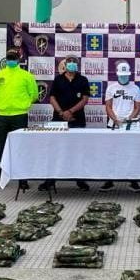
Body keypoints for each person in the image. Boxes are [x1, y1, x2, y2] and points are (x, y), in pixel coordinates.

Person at [0, 48, 38, 191]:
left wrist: (23, 105)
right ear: (6, 60)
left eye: (13, 58)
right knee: (1, 148)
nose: (11, 60)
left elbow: (33, 95)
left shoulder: (26, 76)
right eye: (9, 58)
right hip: (3, 116)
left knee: (21, 148)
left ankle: (23, 180)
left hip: (20, 115)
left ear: (19, 60)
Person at [41, 56, 90, 191]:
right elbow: (51, 98)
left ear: (78, 65)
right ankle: (49, 180)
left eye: (74, 63)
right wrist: (62, 112)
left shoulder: (83, 80)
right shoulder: (58, 79)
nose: (72, 65)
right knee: (55, 150)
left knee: (78, 151)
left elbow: (85, 99)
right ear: (65, 65)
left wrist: (70, 111)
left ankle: (80, 180)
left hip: (77, 120)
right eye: (70, 63)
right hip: (58, 120)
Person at [100, 62, 140, 193]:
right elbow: (108, 106)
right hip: (114, 124)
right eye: (121, 75)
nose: (124, 77)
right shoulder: (111, 88)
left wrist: (129, 119)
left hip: (130, 125)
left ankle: (133, 181)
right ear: (117, 74)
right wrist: (116, 120)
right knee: (111, 153)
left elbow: (137, 107)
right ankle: (109, 180)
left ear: (129, 74)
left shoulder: (135, 88)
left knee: (131, 153)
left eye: (126, 75)